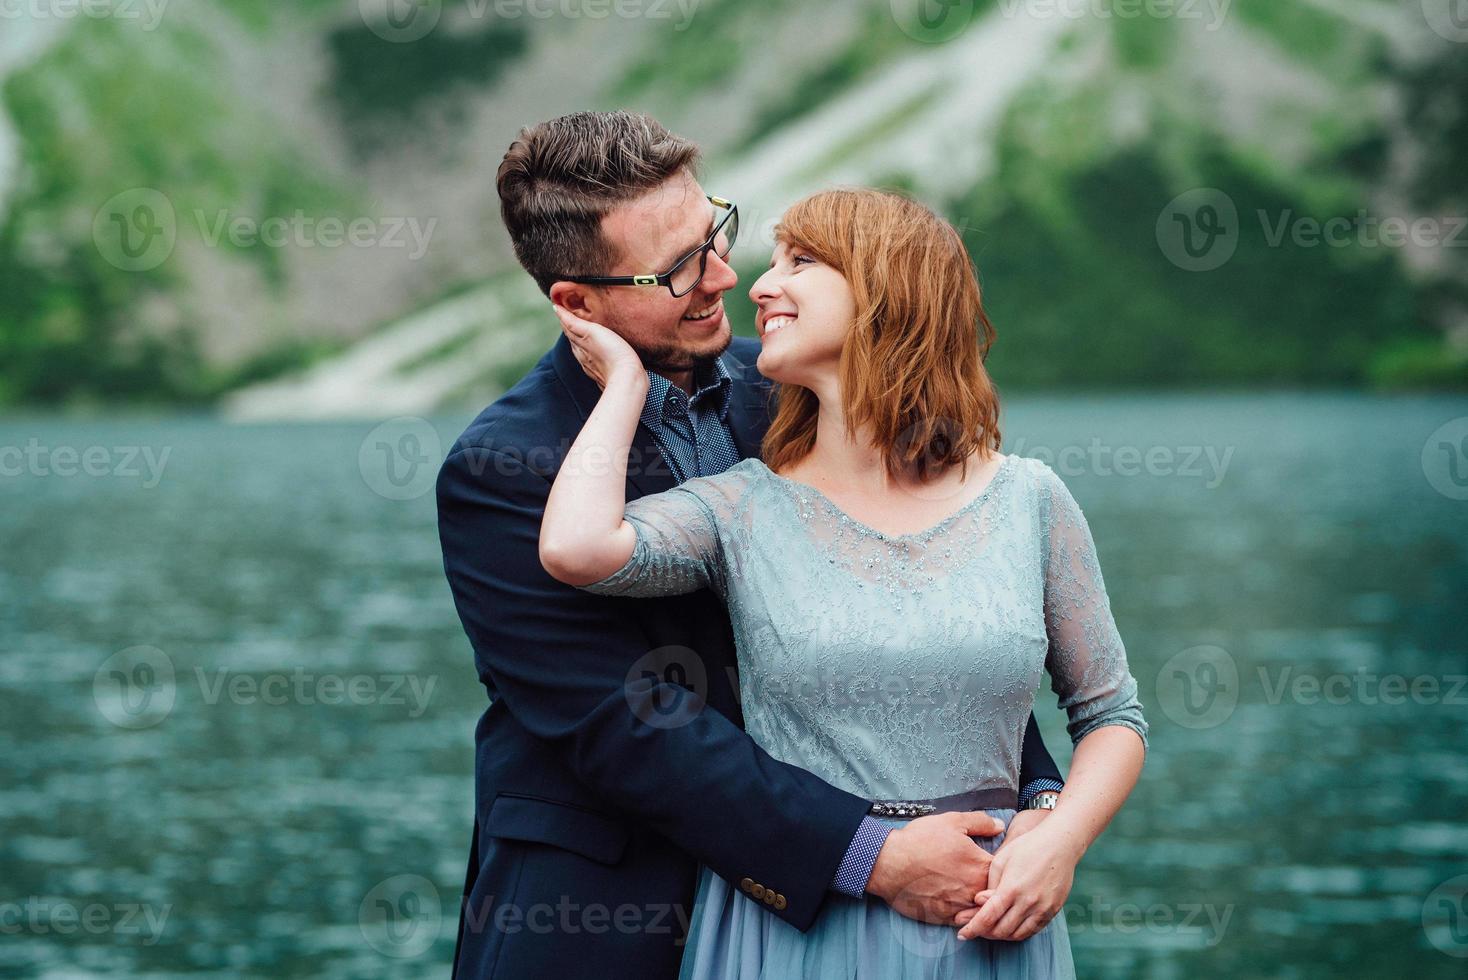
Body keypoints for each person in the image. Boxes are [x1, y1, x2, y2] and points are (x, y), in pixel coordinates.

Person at [437, 111, 1069, 979]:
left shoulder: (795, 388)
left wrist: (1033, 795)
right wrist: (873, 855)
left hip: (842, 925)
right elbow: (621, 724)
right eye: (678, 268)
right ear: (578, 303)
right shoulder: (499, 470)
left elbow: (933, 596)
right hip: (606, 916)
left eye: (715, 234)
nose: (724, 278)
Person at [540, 185, 1148, 977]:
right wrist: (623, 382)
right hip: (800, 932)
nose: (758, 284)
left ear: (888, 292)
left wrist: (1061, 837)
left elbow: (1111, 713)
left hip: (992, 923)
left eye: (802, 260)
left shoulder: (1029, 498)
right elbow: (577, 548)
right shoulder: (741, 506)